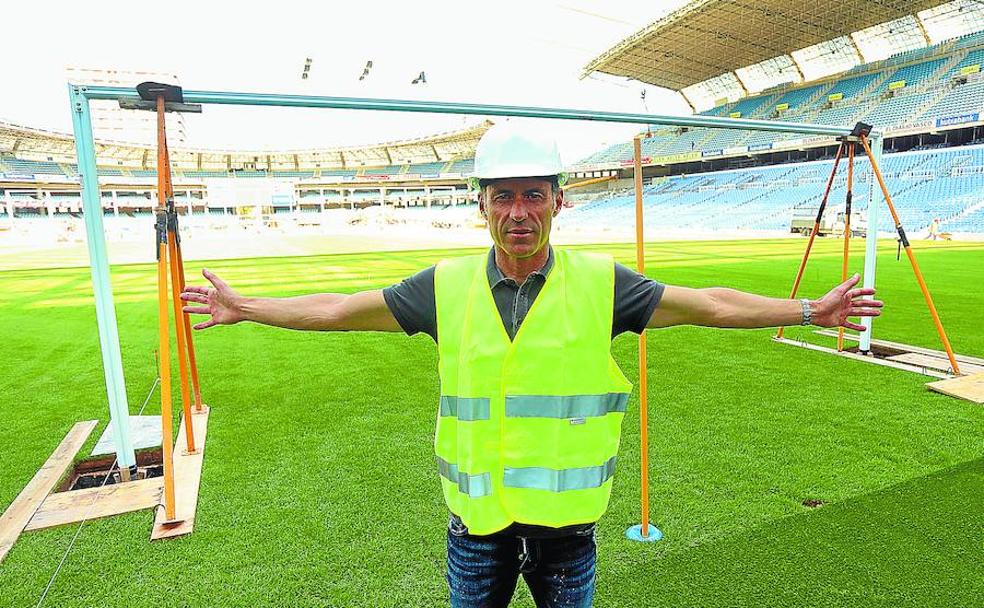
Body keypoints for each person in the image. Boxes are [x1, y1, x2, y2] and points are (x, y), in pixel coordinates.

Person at [181, 125, 884, 608]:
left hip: (567, 535)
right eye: (504, 196)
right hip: (475, 532)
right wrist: (250, 308)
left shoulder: (604, 284)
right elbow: (339, 309)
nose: (520, 212)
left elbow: (709, 303)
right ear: (482, 205)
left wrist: (806, 312)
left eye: (534, 194)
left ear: (558, 202)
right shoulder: (444, 286)